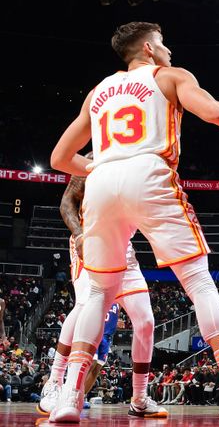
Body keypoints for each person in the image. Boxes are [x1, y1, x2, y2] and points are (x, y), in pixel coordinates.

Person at [48, 21, 219, 424]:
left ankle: (68, 396)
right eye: (163, 42)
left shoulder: (98, 92)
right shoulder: (170, 76)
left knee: (98, 295)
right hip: (149, 172)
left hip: (101, 182)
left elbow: (59, 158)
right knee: (199, 281)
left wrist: (103, 165)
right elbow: (217, 113)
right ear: (149, 49)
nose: (168, 49)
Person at [38, 163, 164, 418]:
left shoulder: (138, 163)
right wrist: (79, 233)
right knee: (85, 304)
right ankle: (54, 384)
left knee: (146, 322)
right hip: (90, 240)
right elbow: (66, 204)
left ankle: (139, 398)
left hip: (123, 249)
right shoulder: (91, 161)